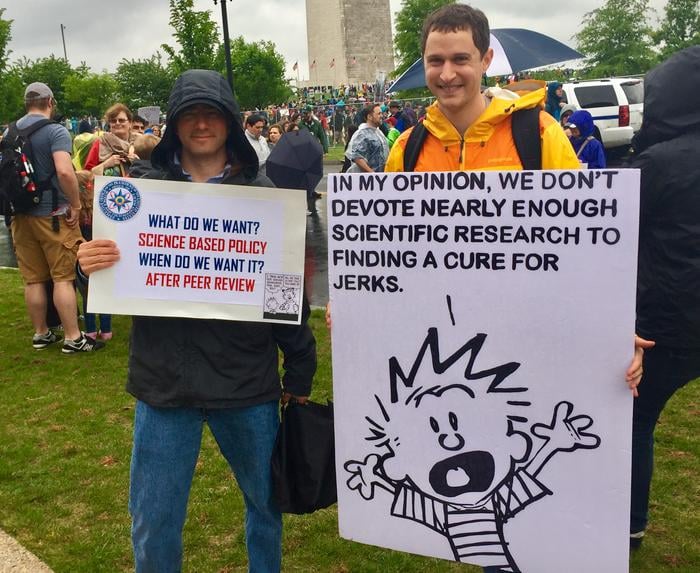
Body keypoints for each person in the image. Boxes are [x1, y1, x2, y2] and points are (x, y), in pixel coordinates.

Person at [76, 69, 317, 572]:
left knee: (265, 508)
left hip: (245, 383)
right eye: (190, 115)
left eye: (213, 114)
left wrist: (299, 367)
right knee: (153, 519)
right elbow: (116, 274)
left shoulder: (263, 193)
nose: (202, 124)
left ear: (230, 122)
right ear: (174, 126)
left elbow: (284, 290)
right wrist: (90, 262)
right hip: (166, 384)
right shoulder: (143, 194)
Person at [628, 45, 700, 551]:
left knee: (634, 420)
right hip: (677, 315)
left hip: (667, 323)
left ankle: (629, 519)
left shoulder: (656, 163)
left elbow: (614, 236)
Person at [9, 82, 103, 353]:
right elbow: (64, 171)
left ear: (27, 103)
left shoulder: (10, 131)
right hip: (53, 214)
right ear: (50, 102)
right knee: (62, 277)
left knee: (34, 279)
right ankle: (74, 338)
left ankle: (42, 333)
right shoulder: (55, 131)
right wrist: (75, 204)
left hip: (20, 215)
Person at [84, 103, 139, 177]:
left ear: (130, 123)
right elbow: (87, 173)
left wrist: (139, 162)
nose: (117, 123)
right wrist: (105, 164)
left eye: (121, 120)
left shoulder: (140, 142)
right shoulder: (101, 143)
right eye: (113, 121)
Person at [345, 104, 390, 173]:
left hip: (380, 177)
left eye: (382, 113)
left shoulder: (378, 132)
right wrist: (371, 173)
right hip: (367, 180)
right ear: (369, 117)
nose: (382, 116)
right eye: (378, 114)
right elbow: (357, 156)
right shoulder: (362, 134)